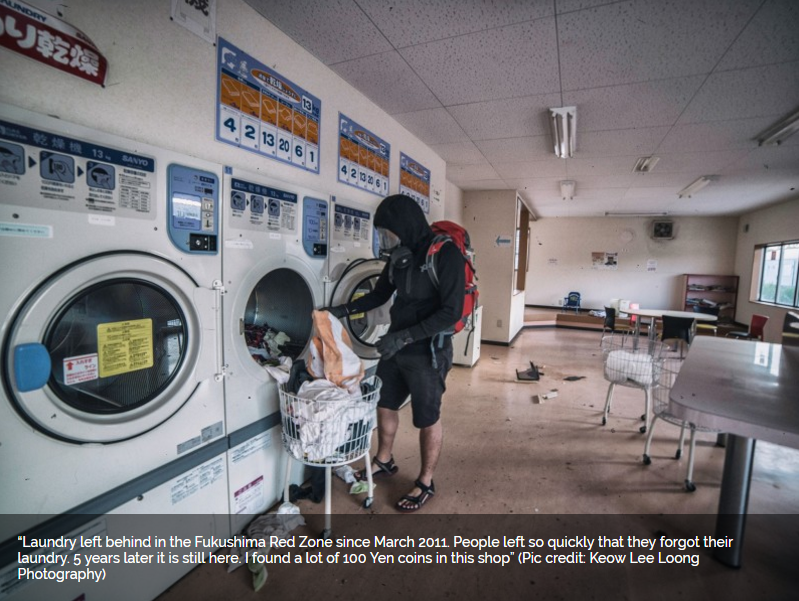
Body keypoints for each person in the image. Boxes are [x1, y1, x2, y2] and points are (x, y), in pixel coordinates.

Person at [326, 194, 464, 512]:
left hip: (428, 349)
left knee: (427, 417)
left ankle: (425, 481)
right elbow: (378, 296)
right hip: (396, 345)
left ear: (405, 225)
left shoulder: (446, 254)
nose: (385, 240)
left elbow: (451, 313)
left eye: (387, 232)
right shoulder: (398, 257)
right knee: (385, 404)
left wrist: (404, 337)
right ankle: (384, 460)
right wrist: (341, 309)